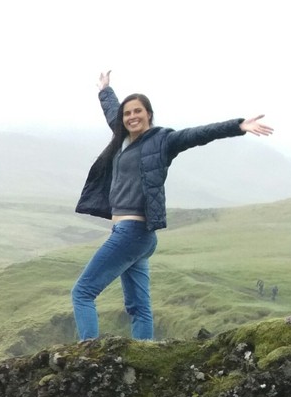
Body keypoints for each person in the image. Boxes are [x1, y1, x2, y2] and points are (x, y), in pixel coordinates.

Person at [72, 71, 273, 341]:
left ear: (149, 114)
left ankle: (86, 355)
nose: (132, 116)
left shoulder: (162, 141)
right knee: (139, 308)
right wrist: (105, 90)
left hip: (132, 232)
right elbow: (112, 112)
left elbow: (198, 134)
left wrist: (237, 126)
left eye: (138, 111)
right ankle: (145, 357)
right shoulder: (122, 138)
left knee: (83, 293)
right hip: (137, 237)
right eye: (128, 113)